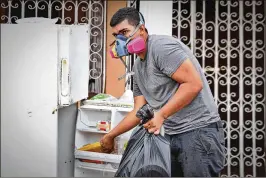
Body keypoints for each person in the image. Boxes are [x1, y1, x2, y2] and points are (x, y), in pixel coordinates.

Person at [101, 7, 225, 177]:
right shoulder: (138, 66)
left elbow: (193, 84)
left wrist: (161, 115)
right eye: (117, 36)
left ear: (142, 29)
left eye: (125, 32)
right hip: (172, 135)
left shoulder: (161, 47)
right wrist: (110, 135)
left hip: (198, 133)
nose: (121, 40)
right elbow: (138, 111)